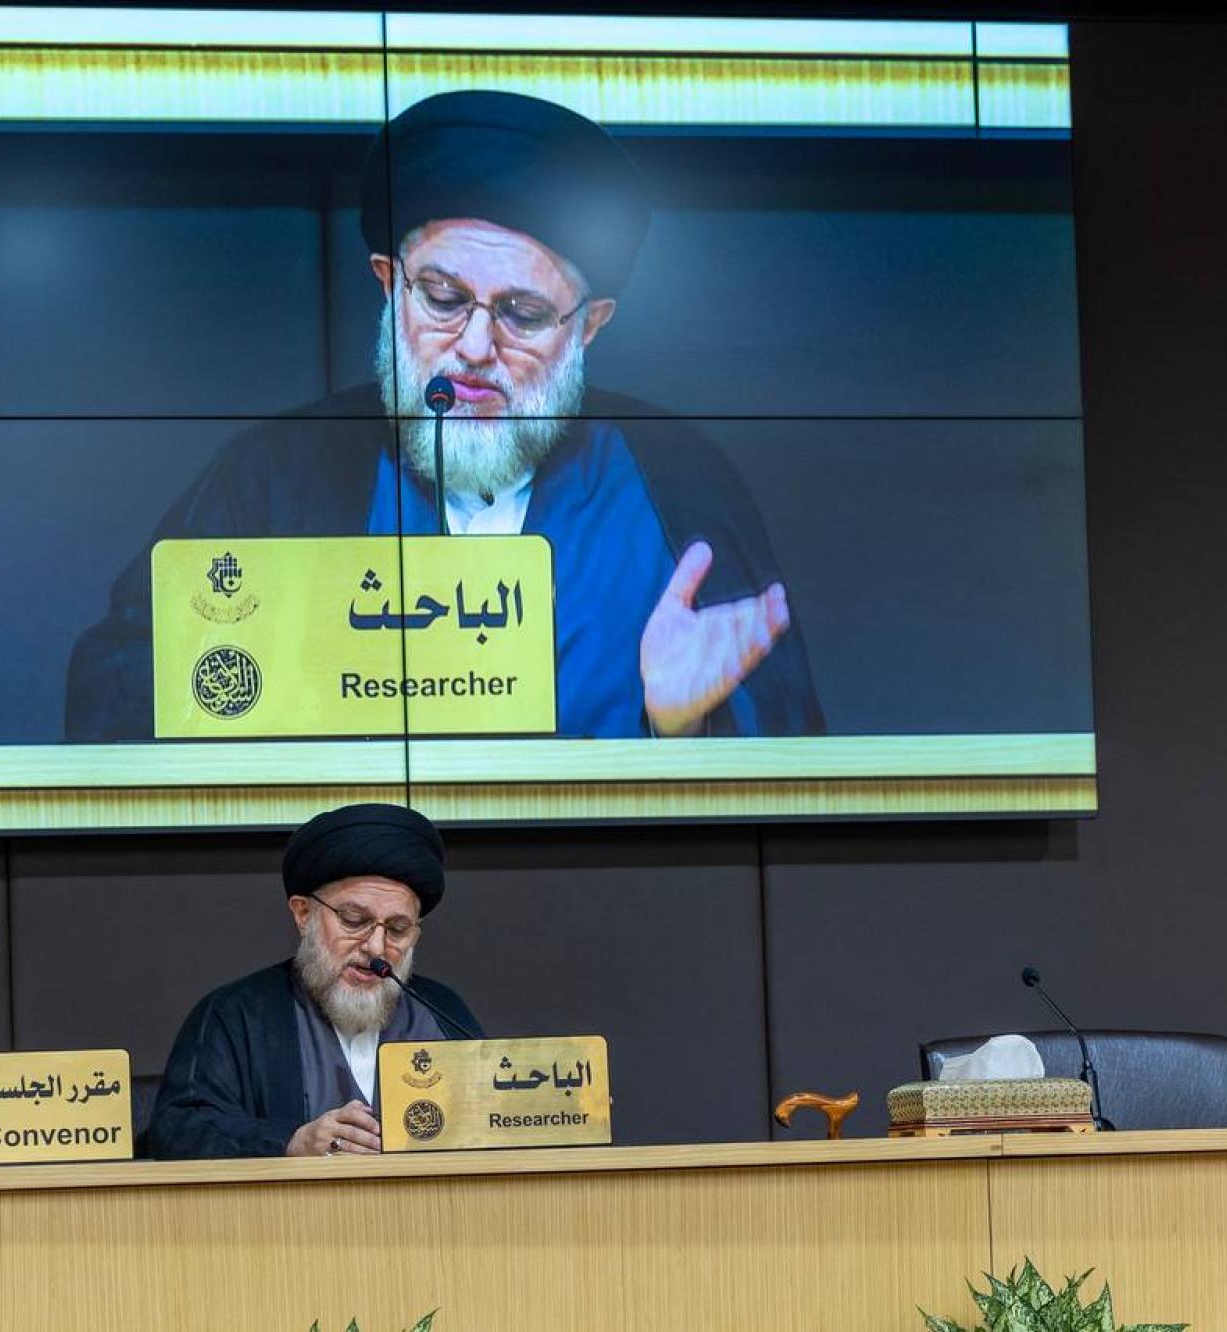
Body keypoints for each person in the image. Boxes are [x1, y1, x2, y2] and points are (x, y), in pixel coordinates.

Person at [68, 90, 823, 741]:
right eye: (443, 298)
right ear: (388, 283)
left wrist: (682, 725)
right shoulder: (280, 471)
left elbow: (787, 757)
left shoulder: (674, 477)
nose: (474, 348)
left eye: (522, 313)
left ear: (589, 325)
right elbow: (117, 692)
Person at [148, 802, 482, 1159]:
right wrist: (290, 1142)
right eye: (354, 920)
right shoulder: (237, 1014)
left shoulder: (441, 1013)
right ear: (303, 914)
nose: (376, 947)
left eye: (397, 929)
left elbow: (498, 1119)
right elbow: (179, 1129)